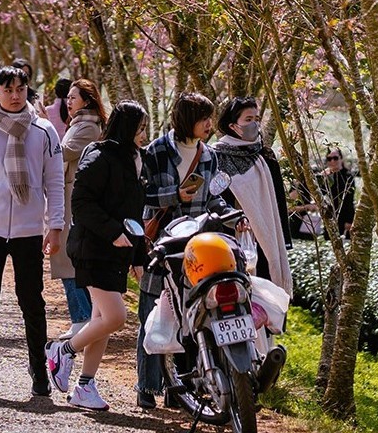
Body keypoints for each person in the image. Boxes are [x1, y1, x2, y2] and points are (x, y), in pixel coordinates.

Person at [0, 65, 66, 399]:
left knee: (32, 302)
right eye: (8, 90)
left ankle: (39, 372)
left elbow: (54, 182)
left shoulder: (44, 131)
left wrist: (55, 225)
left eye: (20, 89)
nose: (15, 95)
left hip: (29, 229)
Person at [48, 101, 148, 411]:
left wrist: (138, 256)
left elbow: (135, 215)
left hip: (118, 252)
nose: (144, 135)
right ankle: (63, 351)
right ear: (126, 128)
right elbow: (81, 202)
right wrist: (112, 232)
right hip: (93, 248)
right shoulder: (99, 154)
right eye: (140, 128)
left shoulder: (137, 159)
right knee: (115, 317)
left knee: (101, 319)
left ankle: (85, 386)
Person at [136, 92, 220, 409]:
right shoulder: (156, 151)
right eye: (204, 119)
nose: (210, 125)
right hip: (161, 245)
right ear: (188, 120)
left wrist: (230, 216)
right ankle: (146, 385)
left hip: (197, 245)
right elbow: (142, 196)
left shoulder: (208, 156)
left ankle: (180, 388)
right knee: (152, 312)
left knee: (192, 315)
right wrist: (175, 196)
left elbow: (212, 197)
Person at [213, 97, 291, 292]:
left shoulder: (266, 156)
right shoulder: (216, 157)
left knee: (267, 298)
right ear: (233, 125)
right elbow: (215, 198)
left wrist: (285, 242)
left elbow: (278, 204)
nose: (254, 124)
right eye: (248, 120)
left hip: (266, 237)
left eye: (257, 118)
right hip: (231, 238)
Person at [53, 78, 106, 341]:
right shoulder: (81, 124)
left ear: (86, 100)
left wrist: (44, 133)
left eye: (73, 97)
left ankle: (82, 317)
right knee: (68, 259)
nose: (69, 102)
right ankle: (83, 316)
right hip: (69, 195)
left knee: (67, 260)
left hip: (73, 197)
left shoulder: (87, 127)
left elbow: (63, 153)